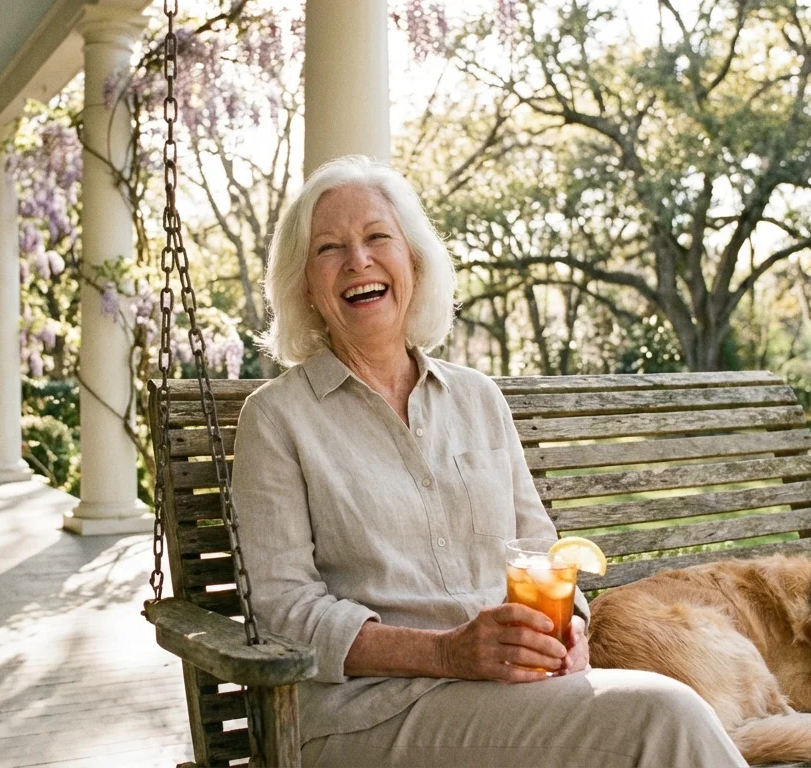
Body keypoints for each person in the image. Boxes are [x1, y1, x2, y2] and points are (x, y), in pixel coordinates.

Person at [232, 155, 745, 768]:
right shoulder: (278, 420)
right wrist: (447, 653)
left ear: (414, 262)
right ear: (306, 287)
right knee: (666, 717)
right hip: (367, 713)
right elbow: (284, 612)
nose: (358, 261)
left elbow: (540, 550)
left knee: (659, 712)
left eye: (377, 238)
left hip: (508, 693)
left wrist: (570, 629)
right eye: (329, 248)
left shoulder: (477, 398)